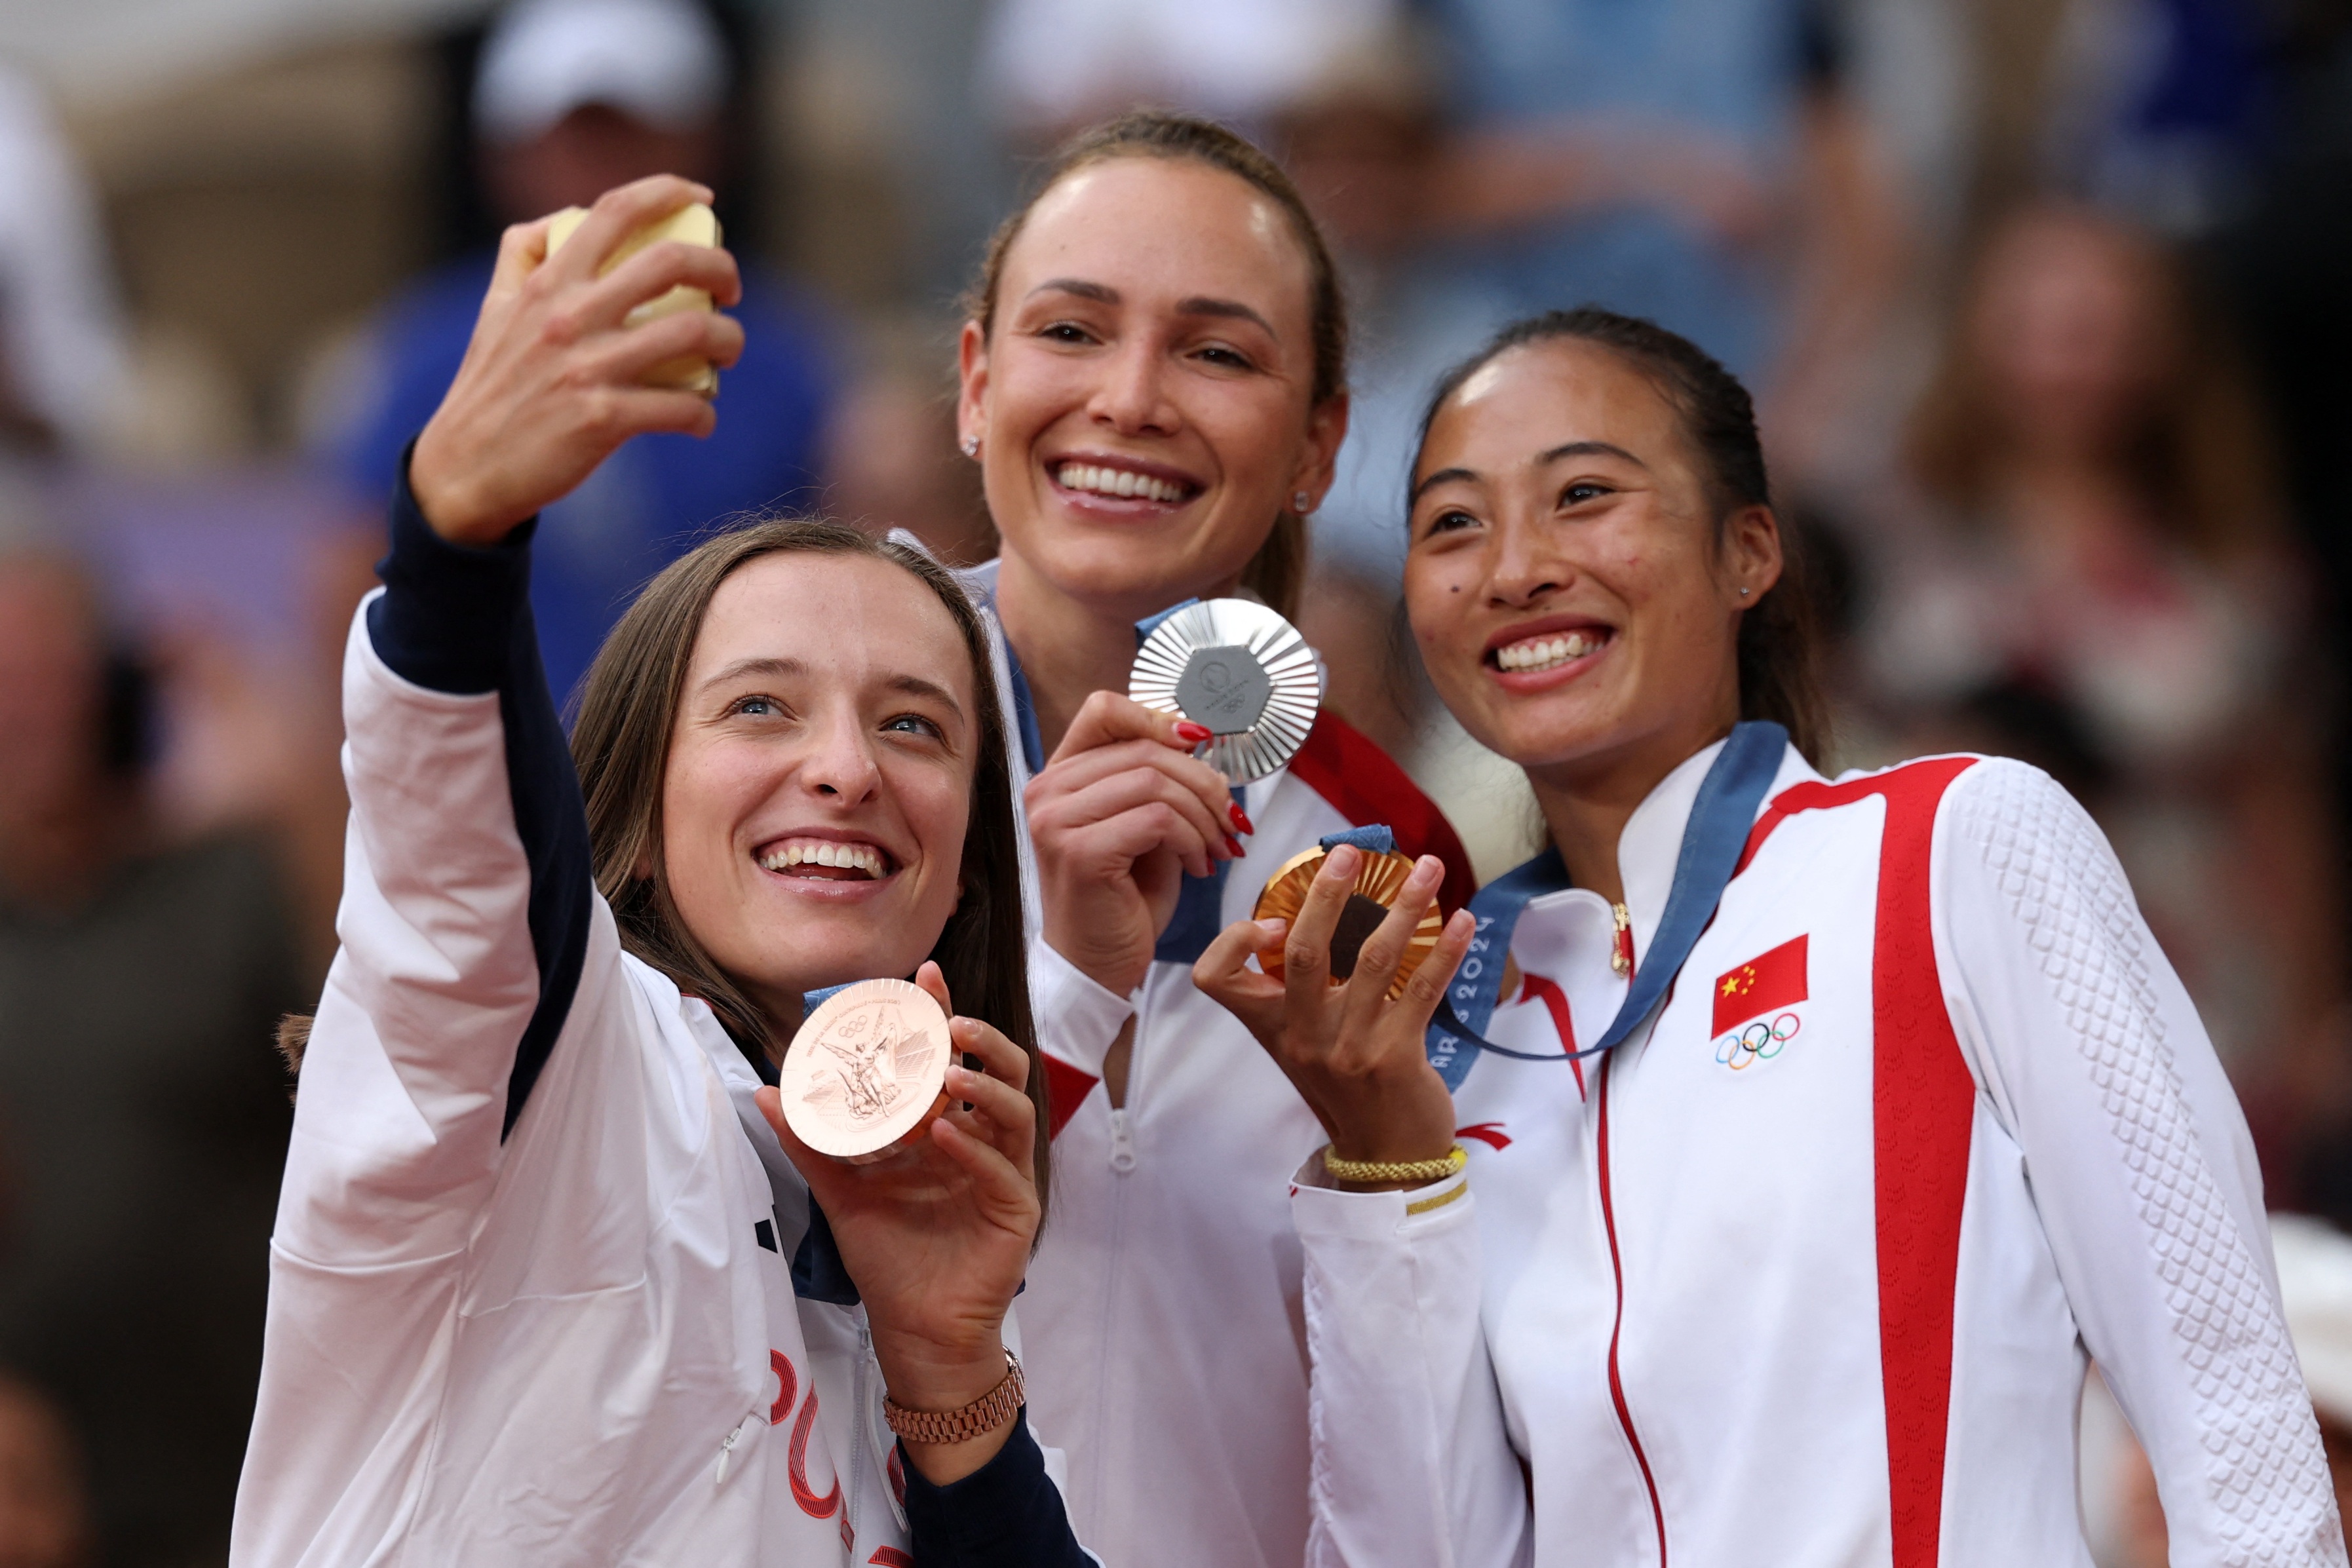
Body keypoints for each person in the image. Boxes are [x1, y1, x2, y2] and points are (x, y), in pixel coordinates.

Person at [1195, 307, 2346, 1564]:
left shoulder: (1950, 847)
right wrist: (1384, 1160)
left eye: (1582, 494)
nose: (1513, 566)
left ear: (1747, 552)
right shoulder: (1451, 1024)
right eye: (1451, 523)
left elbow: (2228, 1401)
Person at [232, 175, 1090, 1567]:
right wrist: (457, 542)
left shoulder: (937, 1223)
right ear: (633, 798)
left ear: (967, 868)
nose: (846, 767)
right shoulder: (543, 1069)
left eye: (915, 723)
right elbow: (462, 885)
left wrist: (947, 1375)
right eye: (760, 705)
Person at [948, 112, 1473, 1568]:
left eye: (1218, 351)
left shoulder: (1392, 856)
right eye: (1072, 329)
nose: (1129, 397)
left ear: (1319, 445)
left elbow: (1418, 1362)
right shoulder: (790, 749)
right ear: (978, 383)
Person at [326, 0, 835, 710]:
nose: (602, 172)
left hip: (720, 772)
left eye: (635, 133)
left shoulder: (791, 350)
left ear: (709, 140)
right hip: (495, 777)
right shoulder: (421, 351)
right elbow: (349, 587)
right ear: (501, 157)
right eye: (569, 138)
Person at [0, 541, 301, 1568]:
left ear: (109, 689)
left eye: (46, 674)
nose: (23, 710)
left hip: (245, 1485)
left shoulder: (229, 884)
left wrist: (276, 747)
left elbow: (402, 1046)